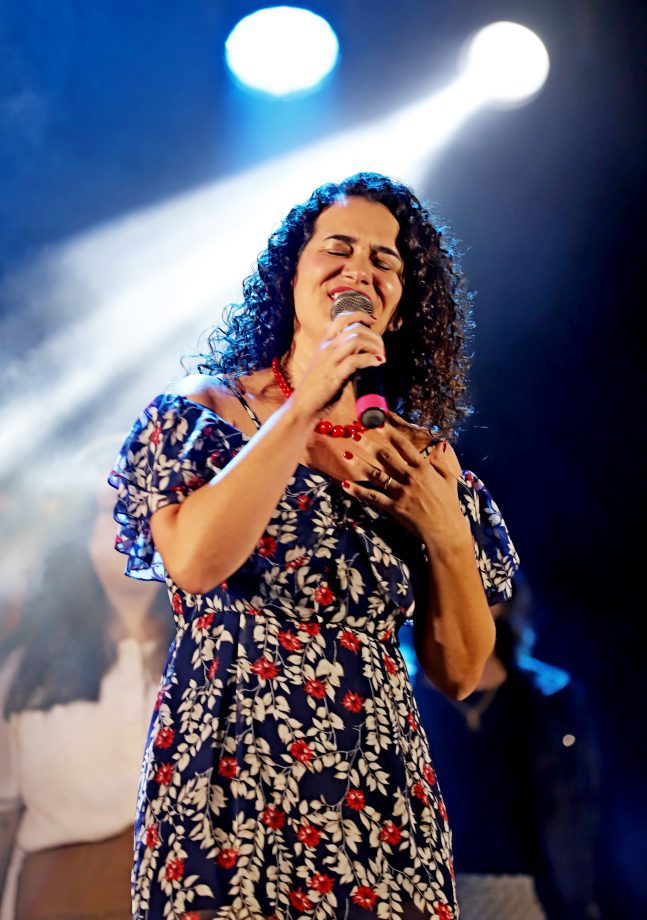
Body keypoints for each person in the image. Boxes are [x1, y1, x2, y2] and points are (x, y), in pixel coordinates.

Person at [109, 171, 520, 919]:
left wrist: (445, 534)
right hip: (230, 776)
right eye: (338, 248)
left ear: (399, 309)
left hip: (377, 792)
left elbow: (461, 673)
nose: (360, 268)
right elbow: (196, 563)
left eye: (385, 260)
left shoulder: (418, 457)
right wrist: (304, 403)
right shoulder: (205, 415)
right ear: (291, 279)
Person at [0, 483, 173, 919]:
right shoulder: (27, 675)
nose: (134, 525)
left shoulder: (216, 660)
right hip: (58, 898)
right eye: (113, 509)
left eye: (152, 509)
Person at [412, 574, 601, 920]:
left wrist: (579, 900)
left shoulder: (551, 696)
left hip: (531, 895)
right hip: (429, 896)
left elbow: (578, 810)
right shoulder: (400, 702)